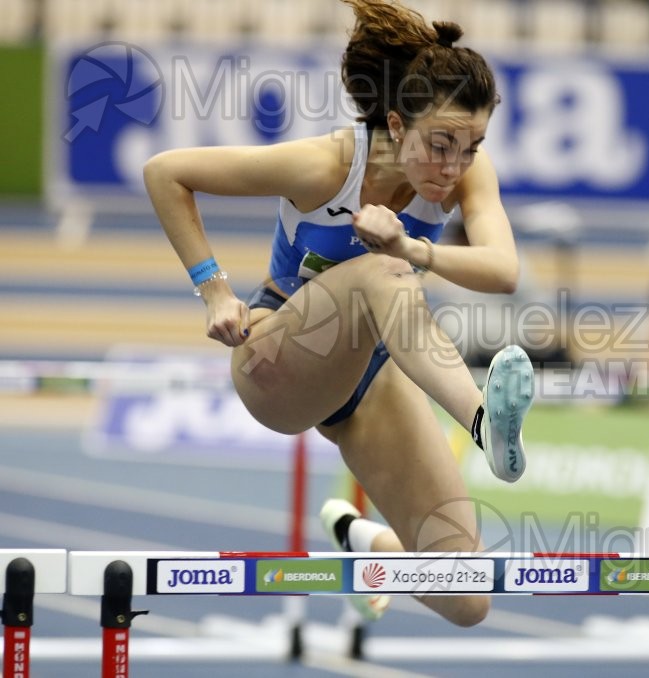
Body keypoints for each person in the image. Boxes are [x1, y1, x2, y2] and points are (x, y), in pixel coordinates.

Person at [143, 0, 534, 628]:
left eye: (472, 147)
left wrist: (413, 244)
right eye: (441, 145)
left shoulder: (461, 172)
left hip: (371, 374)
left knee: (466, 596)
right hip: (277, 355)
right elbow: (166, 173)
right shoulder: (327, 164)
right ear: (397, 125)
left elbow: (504, 270)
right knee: (382, 274)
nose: (454, 167)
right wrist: (214, 290)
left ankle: (369, 545)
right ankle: (486, 426)